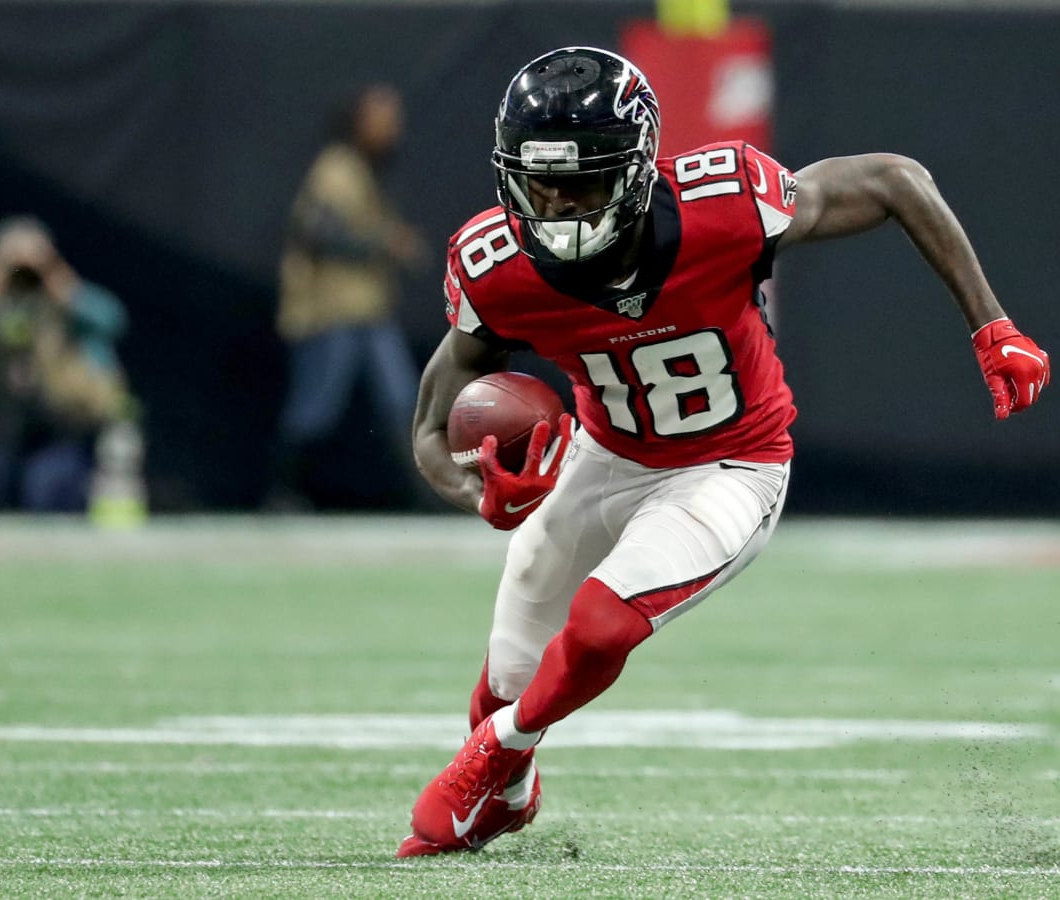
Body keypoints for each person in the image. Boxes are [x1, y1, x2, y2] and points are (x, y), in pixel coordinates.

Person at [397, 47, 1049, 857]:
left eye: (585, 182)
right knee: (503, 672)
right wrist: (478, 495)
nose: (560, 207)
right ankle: (507, 797)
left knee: (600, 628)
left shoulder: (724, 203)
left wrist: (991, 322)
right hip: (606, 457)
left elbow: (894, 178)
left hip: (729, 466)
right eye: (542, 184)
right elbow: (429, 427)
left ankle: (502, 753)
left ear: (636, 171)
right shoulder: (497, 268)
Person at [271, 83, 430, 509]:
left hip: (367, 309)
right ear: (360, 122)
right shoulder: (337, 168)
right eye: (383, 119)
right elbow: (316, 231)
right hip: (329, 311)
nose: (392, 129)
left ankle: (428, 495)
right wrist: (383, 244)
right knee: (315, 408)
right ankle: (284, 492)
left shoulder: (364, 171)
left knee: (402, 401)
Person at [0, 215, 133, 513]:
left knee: (47, 487)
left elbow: (114, 320)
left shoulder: (67, 308)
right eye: (15, 264)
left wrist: (63, 288)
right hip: (18, 435)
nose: (24, 274)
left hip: (72, 435)